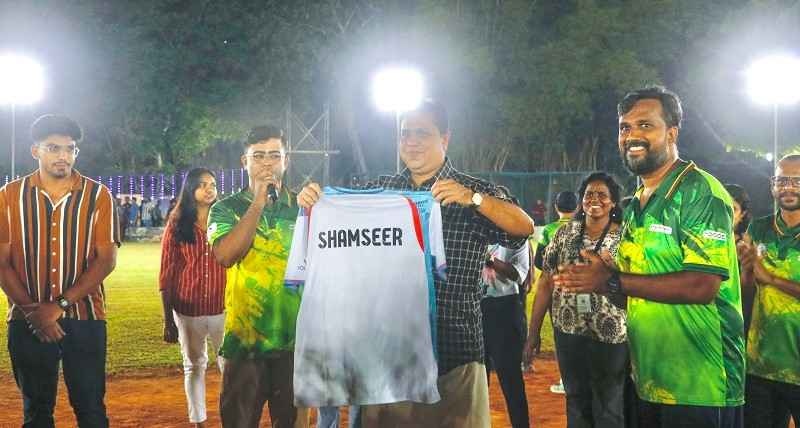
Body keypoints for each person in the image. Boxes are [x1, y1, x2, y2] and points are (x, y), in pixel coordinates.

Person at [298, 99, 534, 427]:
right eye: (405, 133)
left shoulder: (474, 191)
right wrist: (314, 200)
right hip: (389, 365)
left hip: (455, 360)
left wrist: (474, 199)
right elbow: (335, 222)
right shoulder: (379, 192)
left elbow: (524, 227)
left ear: (445, 139)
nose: (411, 141)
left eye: (422, 133)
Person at [553, 86, 744, 427]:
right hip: (647, 379)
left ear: (672, 132)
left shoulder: (700, 191)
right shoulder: (636, 204)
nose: (632, 136)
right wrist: (602, 282)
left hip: (701, 382)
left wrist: (613, 280)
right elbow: (635, 296)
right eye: (625, 127)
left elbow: (703, 285)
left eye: (645, 125)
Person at [0, 114, 120, 427]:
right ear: (35, 151)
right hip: (27, 321)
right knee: (36, 413)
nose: (63, 155)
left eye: (70, 149)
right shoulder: (9, 197)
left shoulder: (98, 196)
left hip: (85, 318)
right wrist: (33, 312)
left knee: (91, 409)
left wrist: (58, 306)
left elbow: (106, 260)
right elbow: (1, 262)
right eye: (53, 148)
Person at [209, 125, 308, 428]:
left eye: (275, 155)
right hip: (244, 343)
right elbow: (226, 255)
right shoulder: (225, 208)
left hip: (294, 343)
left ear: (286, 161)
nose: (267, 163)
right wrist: (257, 204)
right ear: (245, 162)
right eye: (259, 156)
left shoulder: (304, 209)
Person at [527, 172, 627, 428]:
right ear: (581, 200)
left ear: (613, 202)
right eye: (589, 194)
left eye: (602, 195)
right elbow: (546, 281)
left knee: (609, 405)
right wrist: (533, 332)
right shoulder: (564, 233)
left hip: (612, 334)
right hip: (569, 330)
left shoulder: (626, 238)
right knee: (576, 401)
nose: (595, 199)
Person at [159, 168, 226, 428]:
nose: (209, 189)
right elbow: (167, 272)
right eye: (202, 185)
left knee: (229, 367)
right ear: (190, 189)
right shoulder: (177, 224)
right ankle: (199, 422)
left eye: (213, 184)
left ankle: (231, 418)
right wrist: (167, 320)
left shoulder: (226, 219)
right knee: (194, 366)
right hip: (188, 309)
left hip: (223, 307)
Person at [740, 155, 800, 428]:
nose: (788, 187)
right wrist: (745, 270)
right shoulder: (758, 227)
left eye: (796, 181)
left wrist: (771, 278)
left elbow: (765, 279)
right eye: (782, 180)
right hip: (760, 363)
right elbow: (747, 289)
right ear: (772, 185)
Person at [480, 219, 531, 428]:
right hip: (473, 308)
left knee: (511, 379)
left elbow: (520, 275)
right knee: (476, 380)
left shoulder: (515, 236)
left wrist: (489, 259)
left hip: (504, 309)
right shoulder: (471, 232)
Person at [530, 190, 577, 392]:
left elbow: (539, 262)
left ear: (556, 207)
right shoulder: (583, 227)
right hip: (581, 288)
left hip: (556, 288)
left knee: (561, 334)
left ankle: (565, 380)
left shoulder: (549, 230)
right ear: (577, 207)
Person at [725, 184, 756, 335]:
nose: (726, 213)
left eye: (733, 208)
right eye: (722, 206)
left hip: (738, 319)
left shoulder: (748, 246)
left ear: (742, 214)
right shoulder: (701, 240)